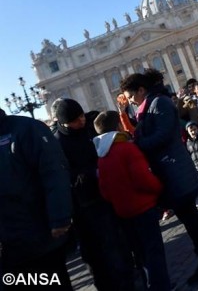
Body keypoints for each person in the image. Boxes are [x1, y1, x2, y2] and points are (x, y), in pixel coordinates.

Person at [119, 70, 198, 290]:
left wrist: (136, 145)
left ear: (141, 90)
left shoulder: (159, 103)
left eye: (131, 96)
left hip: (176, 172)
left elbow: (162, 136)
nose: (130, 101)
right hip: (169, 175)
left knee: (195, 224)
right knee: (191, 224)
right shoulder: (147, 107)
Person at [51, 98, 134, 291]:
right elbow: (64, 175)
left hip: (108, 195)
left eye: (81, 116)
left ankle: (130, 282)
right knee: (96, 256)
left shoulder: (89, 126)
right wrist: (90, 173)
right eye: (75, 119)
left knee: (120, 246)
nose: (81, 121)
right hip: (85, 205)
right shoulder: (58, 143)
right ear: (64, 122)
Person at [93, 111, 171, 291]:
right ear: (118, 127)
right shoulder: (126, 148)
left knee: (140, 255)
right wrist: (158, 188)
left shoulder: (102, 156)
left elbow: (104, 190)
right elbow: (143, 178)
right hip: (143, 208)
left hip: (123, 212)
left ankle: (149, 285)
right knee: (155, 253)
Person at [0, 108, 73, 290]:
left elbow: (54, 172)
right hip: (8, 246)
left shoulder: (25, 129)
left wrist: (59, 218)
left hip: (36, 236)